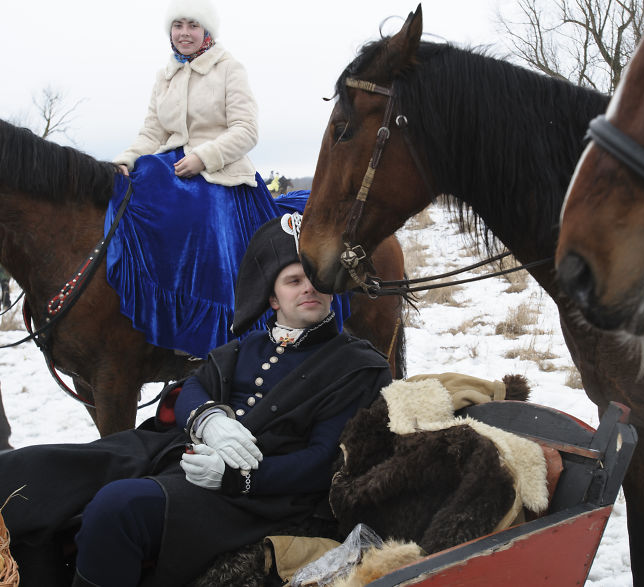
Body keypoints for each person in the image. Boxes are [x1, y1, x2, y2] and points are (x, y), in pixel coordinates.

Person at [0, 214, 393, 587]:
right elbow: (194, 388)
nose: (308, 287)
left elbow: (322, 460)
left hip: (258, 497)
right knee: (24, 470)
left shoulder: (357, 366)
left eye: (315, 279)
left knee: (118, 508)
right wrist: (208, 419)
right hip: (171, 449)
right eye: (293, 280)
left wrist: (240, 478)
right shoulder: (248, 346)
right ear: (272, 299)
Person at [106, 0, 280, 357]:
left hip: (222, 172)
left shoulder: (229, 68)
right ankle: (158, 311)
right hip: (170, 166)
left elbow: (246, 130)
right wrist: (125, 159)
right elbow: (151, 132)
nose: (184, 33)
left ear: (207, 31)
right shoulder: (164, 75)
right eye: (178, 25)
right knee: (131, 200)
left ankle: (219, 328)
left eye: (193, 25)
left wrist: (204, 157)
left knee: (200, 216)